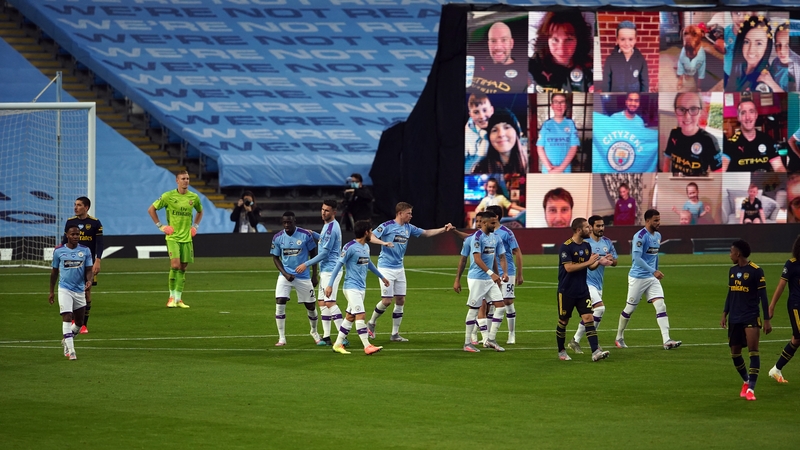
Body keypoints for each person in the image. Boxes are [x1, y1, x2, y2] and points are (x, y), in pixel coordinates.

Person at [367, 202, 453, 341]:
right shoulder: (387, 225)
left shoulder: (408, 227)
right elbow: (370, 236)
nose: (411, 216)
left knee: (400, 300)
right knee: (387, 301)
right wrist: (383, 243)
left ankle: (395, 334)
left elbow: (425, 233)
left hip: (399, 268)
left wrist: (443, 229)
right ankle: (371, 323)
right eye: (409, 213)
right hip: (386, 267)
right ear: (400, 213)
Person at [615, 209, 682, 350]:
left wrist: (655, 272)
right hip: (637, 277)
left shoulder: (657, 235)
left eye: (659, 219)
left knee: (661, 306)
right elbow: (637, 259)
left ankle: (667, 340)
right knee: (629, 309)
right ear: (647, 221)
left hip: (651, 278)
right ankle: (619, 337)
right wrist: (654, 271)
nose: (658, 223)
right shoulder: (640, 236)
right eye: (655, 220)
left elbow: (655, 255)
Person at [325, 220, 389, 356]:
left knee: (350, 317)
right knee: (361, 315)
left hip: (361, 288)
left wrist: (382, 277)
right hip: (351, 287)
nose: (372, 233)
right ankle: (367, 345)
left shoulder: (366, 247)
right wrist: (330, 284)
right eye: (371, 231)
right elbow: (338, 265)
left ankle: (337, 344)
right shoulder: (349, 247)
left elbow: (369, 263)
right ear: (366, 232)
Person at [720, 240, 771, 401]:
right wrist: (724, 313)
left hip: (750, 315)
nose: (730, 255)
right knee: (735, 353)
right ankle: (746, 380)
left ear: (738, 253)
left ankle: (751, 389)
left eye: (731, 252)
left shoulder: (756, 271)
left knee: (753, 351)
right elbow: (730, 294)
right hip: (734, 317)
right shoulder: (732, 271)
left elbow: (763, 296)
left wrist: (767, 319)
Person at [147, 170, 203, 308]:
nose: (186, 181)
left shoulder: (194, 197)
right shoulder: (168, 196)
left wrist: (195, 227)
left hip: (187, 237)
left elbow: (200, 211)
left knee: (183, 268)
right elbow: (151, 209)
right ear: (177, 181)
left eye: (188, 178)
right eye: (183, 178)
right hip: (173, 237)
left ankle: (179, 299)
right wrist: (161, 226)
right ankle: (171, 297)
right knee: (175, 265)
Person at [556, 218, 609, 362]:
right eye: (587, 227)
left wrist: (598, 262)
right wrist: (588, 262)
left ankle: (595, 351)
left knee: (588, 318)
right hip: (566, 291)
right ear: (579, 230)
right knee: (563, 321)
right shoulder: (566, 247)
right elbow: (569, 268)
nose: (590, 229)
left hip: (582, 290)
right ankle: (561, 351)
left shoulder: (586, 246)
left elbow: (590, 266)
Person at [456, 211, 509, 352]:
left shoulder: (496, 237)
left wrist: (504, 273)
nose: (495, 225)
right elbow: (477, 259)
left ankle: (490, 339)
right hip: (477, 278)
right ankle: (467, 343)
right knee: (474, 308)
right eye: (492, 223)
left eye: (496, 222)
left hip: (489, 278)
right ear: (484, 223)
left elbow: (501, 257)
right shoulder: (477, 238)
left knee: (501, 306)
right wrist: (492, 274)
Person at [297, 200, 344, 347]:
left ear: (334, 212)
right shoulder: (327, 226)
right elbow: (324, 241)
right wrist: (314, 234)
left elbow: (324, 253)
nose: (323, 212)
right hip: (326, 270)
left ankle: (343, 336)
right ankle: (327, 336)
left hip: (331, 270)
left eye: (327, 210)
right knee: (322, 303)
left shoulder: (331, 228)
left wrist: (306, 264)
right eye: (322, 209)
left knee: (329, 302)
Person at [568, 215, 617, 354]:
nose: (601, 228)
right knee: (600, 309)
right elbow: (588, 264)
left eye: (602, 226)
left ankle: (576, 340)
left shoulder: (607, 242)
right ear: (590, 227)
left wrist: (610, 260)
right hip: (586, 283)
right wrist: (599, 261)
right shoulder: (585, 243)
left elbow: (615, 261)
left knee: (589, 315)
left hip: (598, 284)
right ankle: (593, 344)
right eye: (598, 226)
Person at [270, 211, 320, 346]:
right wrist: (285, 274)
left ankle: (314, 332)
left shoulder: (305, 235)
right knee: (280, 302)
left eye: (289, 222)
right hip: (285, 276)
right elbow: (275, 257)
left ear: (294, 221)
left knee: (310, 306)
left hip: (303, 276)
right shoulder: (278, 237)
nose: (287, 225)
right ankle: (282, 338)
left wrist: (314, 275)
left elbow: (314, 254)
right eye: (284, 222)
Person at [49, 225, 93, 360]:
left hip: (79, 290)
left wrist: (89, 280)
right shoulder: (58, 251)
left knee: (79, 323)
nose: (75, 237)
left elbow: (89, 269)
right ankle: (71, 351)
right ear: (67, 235)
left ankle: (66, 340)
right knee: (67, 317)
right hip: (64, 289)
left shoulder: (85, 251)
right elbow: (54, 272)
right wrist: (51, 291)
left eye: (77, 235)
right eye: (73, 234)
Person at [62, 196, 103, 334]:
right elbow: (63, 243)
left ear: (86, 207)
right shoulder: (69, 222)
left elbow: (100, 243)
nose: (75, 207)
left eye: (79, 205)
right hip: (72, 263)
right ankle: (74, 320)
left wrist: (98, 260)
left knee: (86, 292)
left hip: (88, 265)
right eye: (75, 204)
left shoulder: (95, 223)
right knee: (71, 291)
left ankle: (83, 324)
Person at [529, 11, 593, 93]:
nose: (561, 49)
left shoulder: (588, 70)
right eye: (555, 40)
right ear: (546, 40)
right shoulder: (534, 65)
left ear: (579, 40)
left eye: (568, 39)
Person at [486, 205, 523, 344]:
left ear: (495, 217)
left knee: (507, 302)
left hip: (507, 273)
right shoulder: (485, 232)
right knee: (490, 304)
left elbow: (517, 252)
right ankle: (488, 337)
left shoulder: (506, 233)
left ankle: (511, 334)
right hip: (490, 273)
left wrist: (520, 274)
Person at [662, 93, 723, 176]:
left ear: (700, 112)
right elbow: (667, 160)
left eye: (693, 109)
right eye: (681, 109)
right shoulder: (674, 133)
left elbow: (719, 172)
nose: (687, 116)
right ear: (675, 112)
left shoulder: (709, 140)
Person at [766, 235, 800, 384]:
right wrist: (771, 306)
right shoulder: (791, 264)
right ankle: (776, 369)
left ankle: (776, 369)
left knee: (796, 340)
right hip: (796, 305)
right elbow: (781, 286)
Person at [723, 99, 783, 172]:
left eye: (751, 112)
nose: (748, 117)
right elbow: (722, 170)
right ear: (738, 118)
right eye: (743, 113)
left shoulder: (767, 140)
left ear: (756, 115)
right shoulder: (730, 144)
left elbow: (779, 167)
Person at [725, 14, 780, 93]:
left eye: (759, 43)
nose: (751, 50)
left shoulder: (763, 83)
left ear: (767, 46)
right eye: (746, 42)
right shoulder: (739, 66)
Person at [469, 20, 527, 93]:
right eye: (493, 41)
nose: (498, 47)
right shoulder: (474, 64)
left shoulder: (523, 75)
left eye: (504, 40)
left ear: (511, 43)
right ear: (488, 44)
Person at [472, 108, 527, 175]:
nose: (501, 134)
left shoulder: (530, 166)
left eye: (506, 127)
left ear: (516, 133)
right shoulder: (480, 169)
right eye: (494, 130)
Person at [536, 93, 581, 173]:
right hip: (548, 170)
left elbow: (573, 147)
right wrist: (550, 168)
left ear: (566, 105)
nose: (559, 105)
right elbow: (540, 148)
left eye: (562, 102)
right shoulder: (546, 125)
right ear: (552, 106)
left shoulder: (570, 124)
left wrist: (560, 169)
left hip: (565, 170)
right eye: (556, 102)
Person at [601, 21, 649, 93]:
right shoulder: (610, 60)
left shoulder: (641, 60)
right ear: (617, 40)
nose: (627, 44)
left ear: (635, 40)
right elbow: (606, 83)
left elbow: (644, 82)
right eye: (622, 39)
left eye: (630, 39)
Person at [465, 93, 494, 173]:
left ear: (492, 110)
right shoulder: (467, 134)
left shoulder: (498, 125)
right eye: (476, 112)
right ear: (470, 115)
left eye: (485, 110)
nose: (481, 116)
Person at [769, 21, 800, 92]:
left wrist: (771, 83)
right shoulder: (776, 61)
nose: (781, 51)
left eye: (787, 45)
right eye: (778, 45)